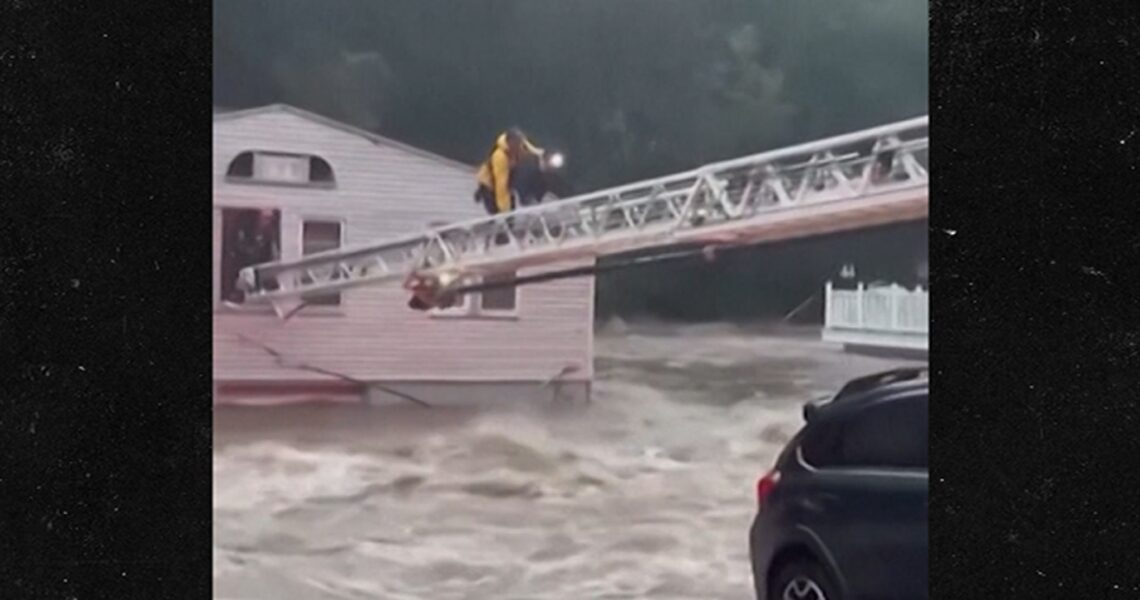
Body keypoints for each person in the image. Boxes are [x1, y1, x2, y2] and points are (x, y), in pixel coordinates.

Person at [474, 127, 546, 216]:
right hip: (490, 184)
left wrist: (544, 157)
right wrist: (505, 211)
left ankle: (522, 203)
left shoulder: (520, 144)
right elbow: (501, 186)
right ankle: (481, 193)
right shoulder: (500, 157)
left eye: (520, 143)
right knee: (495, 213)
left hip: (507, 175)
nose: (519, 147)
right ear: (509, 143)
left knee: (511, 211)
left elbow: (534, 151)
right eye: (516, 144)